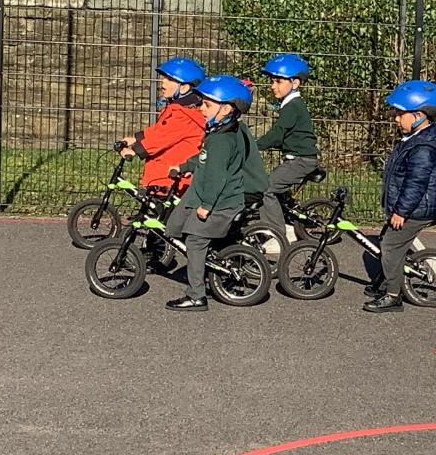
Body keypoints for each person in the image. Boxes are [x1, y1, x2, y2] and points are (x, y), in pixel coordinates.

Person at [363, 80, 436, 313]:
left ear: (418, 116)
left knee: (390, 246)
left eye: (399, 114)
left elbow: (416, 183)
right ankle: (385, 280)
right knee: (388, 239)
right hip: (414, 205)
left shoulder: (424, 147)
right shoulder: (416, 139)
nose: (395, 118)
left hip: (417, 208)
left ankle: (393, 295)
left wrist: (401, 212)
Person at [164, 75, 251, 311]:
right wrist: (184, 166)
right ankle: (202, 262)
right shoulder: (220, 133)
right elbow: (204, 159)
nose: (201, 109)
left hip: (218, 202)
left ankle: (196, 295)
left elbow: (216, 176)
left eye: (207, 105)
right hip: (200, 194)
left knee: (194, 241)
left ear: (226, 109)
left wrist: (207, 205)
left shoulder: (221, 140)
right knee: (173, 227)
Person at [118, 57, 205, 194]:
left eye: (169, 79)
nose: (163, 81)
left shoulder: (185, 116)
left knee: (162, 206)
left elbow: (162, 137)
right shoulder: (176, 109)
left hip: (171, 178)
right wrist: (136, 138)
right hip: (163, 173)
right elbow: (160, 130)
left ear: (184, 87)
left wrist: (135, 150)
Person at [256, 53, 318, 234]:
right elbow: (288, 135)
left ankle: (277, 233)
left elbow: (278, 134)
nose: (272, 86)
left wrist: (254, 145)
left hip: (301, 161)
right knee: (275, 184)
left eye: (278, 81)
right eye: (272, 81)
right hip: (298, 158)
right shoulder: (292, 105)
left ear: (295, 83)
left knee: (266, 189)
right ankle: (286, 220)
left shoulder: (292, 107)